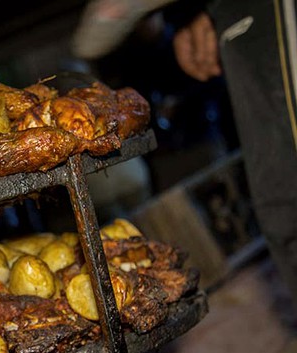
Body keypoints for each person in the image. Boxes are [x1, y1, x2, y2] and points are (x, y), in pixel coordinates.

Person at [72, 0, 297, 317]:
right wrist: (198, 14)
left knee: (287, 199)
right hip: (173, 142)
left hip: (197, 135)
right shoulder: (134, 59)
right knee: (279, 209)